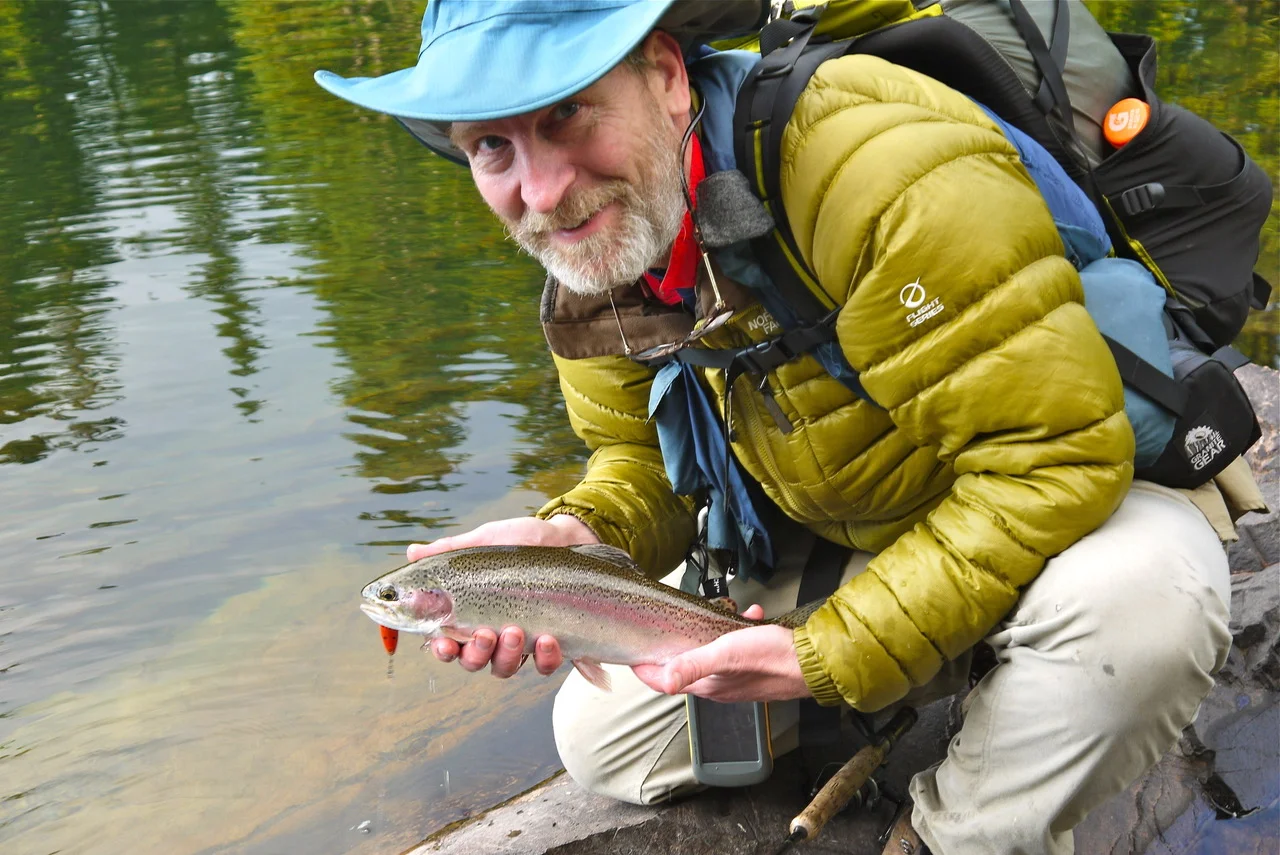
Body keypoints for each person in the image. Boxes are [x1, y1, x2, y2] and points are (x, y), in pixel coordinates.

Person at [315, 3, 1239, 853]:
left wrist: (823, 656)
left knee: (1147, 613)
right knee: (602, 738)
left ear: (667, 73)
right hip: (854, 524)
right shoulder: (594, 243)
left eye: (566, 113)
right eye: (491, 149)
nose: (543, 191)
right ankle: (941, 687)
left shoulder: (875, 166)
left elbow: (1052, 467)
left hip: (1060, 504)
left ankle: (958, 826)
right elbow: (641, 458)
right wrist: (577, 534)